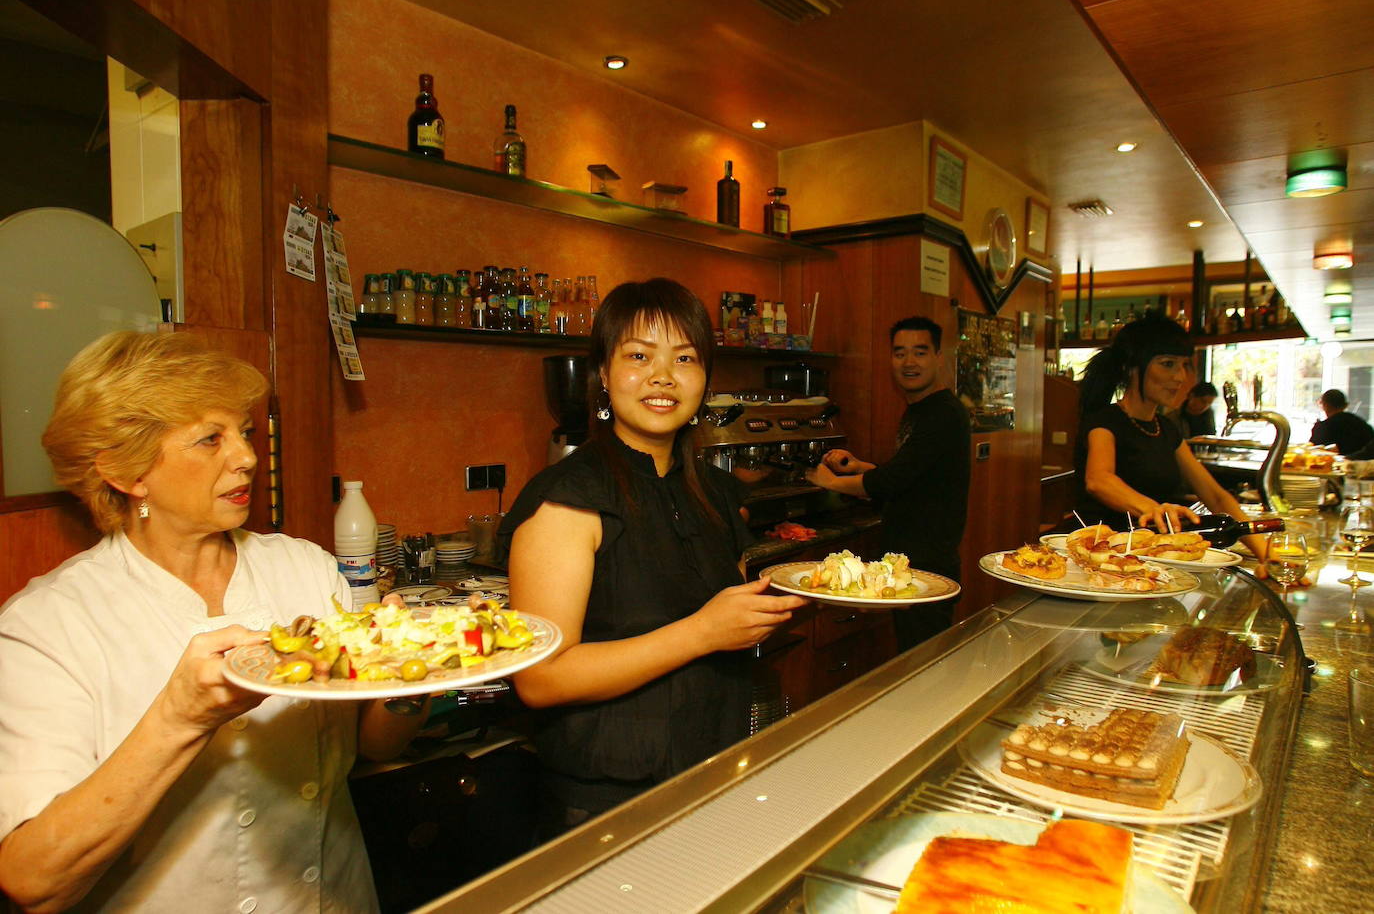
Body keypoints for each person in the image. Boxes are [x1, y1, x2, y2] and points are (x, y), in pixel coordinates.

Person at [0, 332, 424, 912]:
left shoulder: (304, 568)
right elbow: (34, 881)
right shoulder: (49, 629)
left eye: (244, 432)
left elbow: (374, 746)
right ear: (127, 473)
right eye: (209, 438)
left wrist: (408, 678)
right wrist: (181, 716)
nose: (247, 456)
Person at [498, 279, 803, 834]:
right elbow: (540, 679)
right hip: (608, 802)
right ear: (604, 375)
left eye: (684, 358)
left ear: (704, 379)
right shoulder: (567, 501)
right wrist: (703, 632)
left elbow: (725, 619)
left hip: (714, 770)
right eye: (639, 355)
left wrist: (762, 613)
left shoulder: (714, 493)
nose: (663, 376)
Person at [804, 316, 971, 651]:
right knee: (916, 658)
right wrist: (859, 466)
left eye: (920, 352)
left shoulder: (943, 415)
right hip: (912, 561)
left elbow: (889, 482)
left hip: (927, 563)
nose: (909, 362)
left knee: (925, 661)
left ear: (939, 357)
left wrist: (831, 482)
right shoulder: (920, 410)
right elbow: (913, 473)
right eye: (899, 353)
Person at [1072, 314, 1269, 566]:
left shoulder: (1165, 428)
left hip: (1144, 559)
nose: (1180, 377)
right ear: (1132, 368)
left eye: (1184, 365)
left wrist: (1266, 553)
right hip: (1097, 557)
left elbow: (1216, 497)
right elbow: (1099, 480)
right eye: (1168, 364)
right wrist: (1153, 508)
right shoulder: (1104, 421)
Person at [1310, 389, 1374, 455]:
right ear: (1345, 405)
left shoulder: (1322, 428)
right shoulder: (1362, 425)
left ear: (1324, 405)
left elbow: (1313, 453)